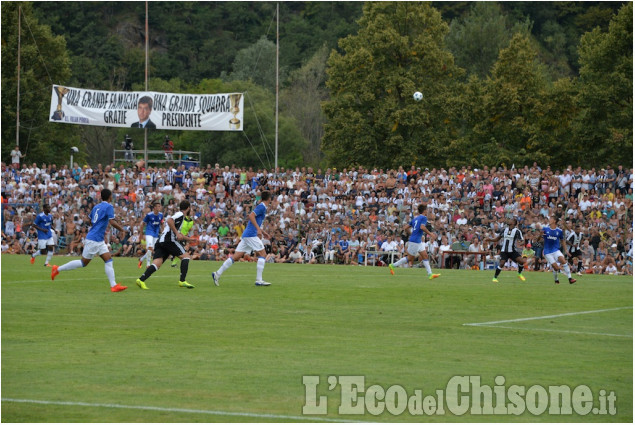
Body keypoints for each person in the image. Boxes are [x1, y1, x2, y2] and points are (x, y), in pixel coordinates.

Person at [51, 189, 127, 292]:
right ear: (109, 197)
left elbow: (91, 221)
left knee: (108, 260)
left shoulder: (96, 207)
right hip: (94, 239)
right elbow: (112, 222)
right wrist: (122, 230)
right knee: (83, 263)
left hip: (97, 239)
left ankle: (114, 286)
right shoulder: (109, 206)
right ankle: (57, 269)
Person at [212, 190, 272, 286]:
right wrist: (258, 230)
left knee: (236, 257)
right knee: (263, 254)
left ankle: (217, 274)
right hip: (251, 235)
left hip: (247, 235)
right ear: (269, 198)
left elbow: (255, 220)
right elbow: (251, 216)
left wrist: (263, 232)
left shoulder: (262, 206)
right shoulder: (262, 206)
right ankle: (259, 280)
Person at [136, 200, 196, 290]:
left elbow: (178, 233)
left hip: (162, 241)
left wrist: (190, 239)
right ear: (188, 208)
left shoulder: (179, 217)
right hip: (169, 241)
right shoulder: (180, 214)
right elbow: (169, 220)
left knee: (157, 264)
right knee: (186, 257)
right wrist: (176, 233)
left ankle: (141, 280)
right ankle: (182, 281)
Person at [388, 204, 441, 280]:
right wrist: (430, 234)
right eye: (426, 209)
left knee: (425, 256)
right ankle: (393, 265)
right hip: (415, 241)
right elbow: (422, 227)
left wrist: (411, 233)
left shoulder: (415, 218)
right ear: (425, 211)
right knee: (409, 258)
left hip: (417, 240)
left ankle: (430, 274)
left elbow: (405, 227)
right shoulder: (424, 218)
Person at [484, 218, 528, 283]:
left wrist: (521, 243)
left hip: (512, 251)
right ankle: (495, 278)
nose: (509, 220)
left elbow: (522, 240)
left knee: (521, 261)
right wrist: (489, 239)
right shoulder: (504, 230)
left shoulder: (517, 231)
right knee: (502, 263)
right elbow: (497, 239)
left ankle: (519, 274)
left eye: (511, 220)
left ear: (513, 223)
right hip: (504, 251)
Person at [538, 216, 577, 284]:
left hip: (556, 250)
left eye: (550, 219)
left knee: (563, 260)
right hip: (547, 252)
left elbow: (563, 241)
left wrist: (566, 250)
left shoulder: (559, 231)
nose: (549, 220)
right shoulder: (545, 229)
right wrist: (540, 235)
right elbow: (538, 240)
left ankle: (570, 278)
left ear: (554, 221)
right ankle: (556, 279)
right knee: (556, 267)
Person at [138, 202, 163, 268]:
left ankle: (141, 259)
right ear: (154, 208)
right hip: (149, 232)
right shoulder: (149, 215)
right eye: (158, 206)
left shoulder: (161, 215)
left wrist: (163, 232)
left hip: (156, 234)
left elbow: (162, 223)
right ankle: (148, 264)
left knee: (152, 249)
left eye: (159, 206)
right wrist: (141, 234)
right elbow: (142, 224)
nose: (159, 208)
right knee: (150, 247)